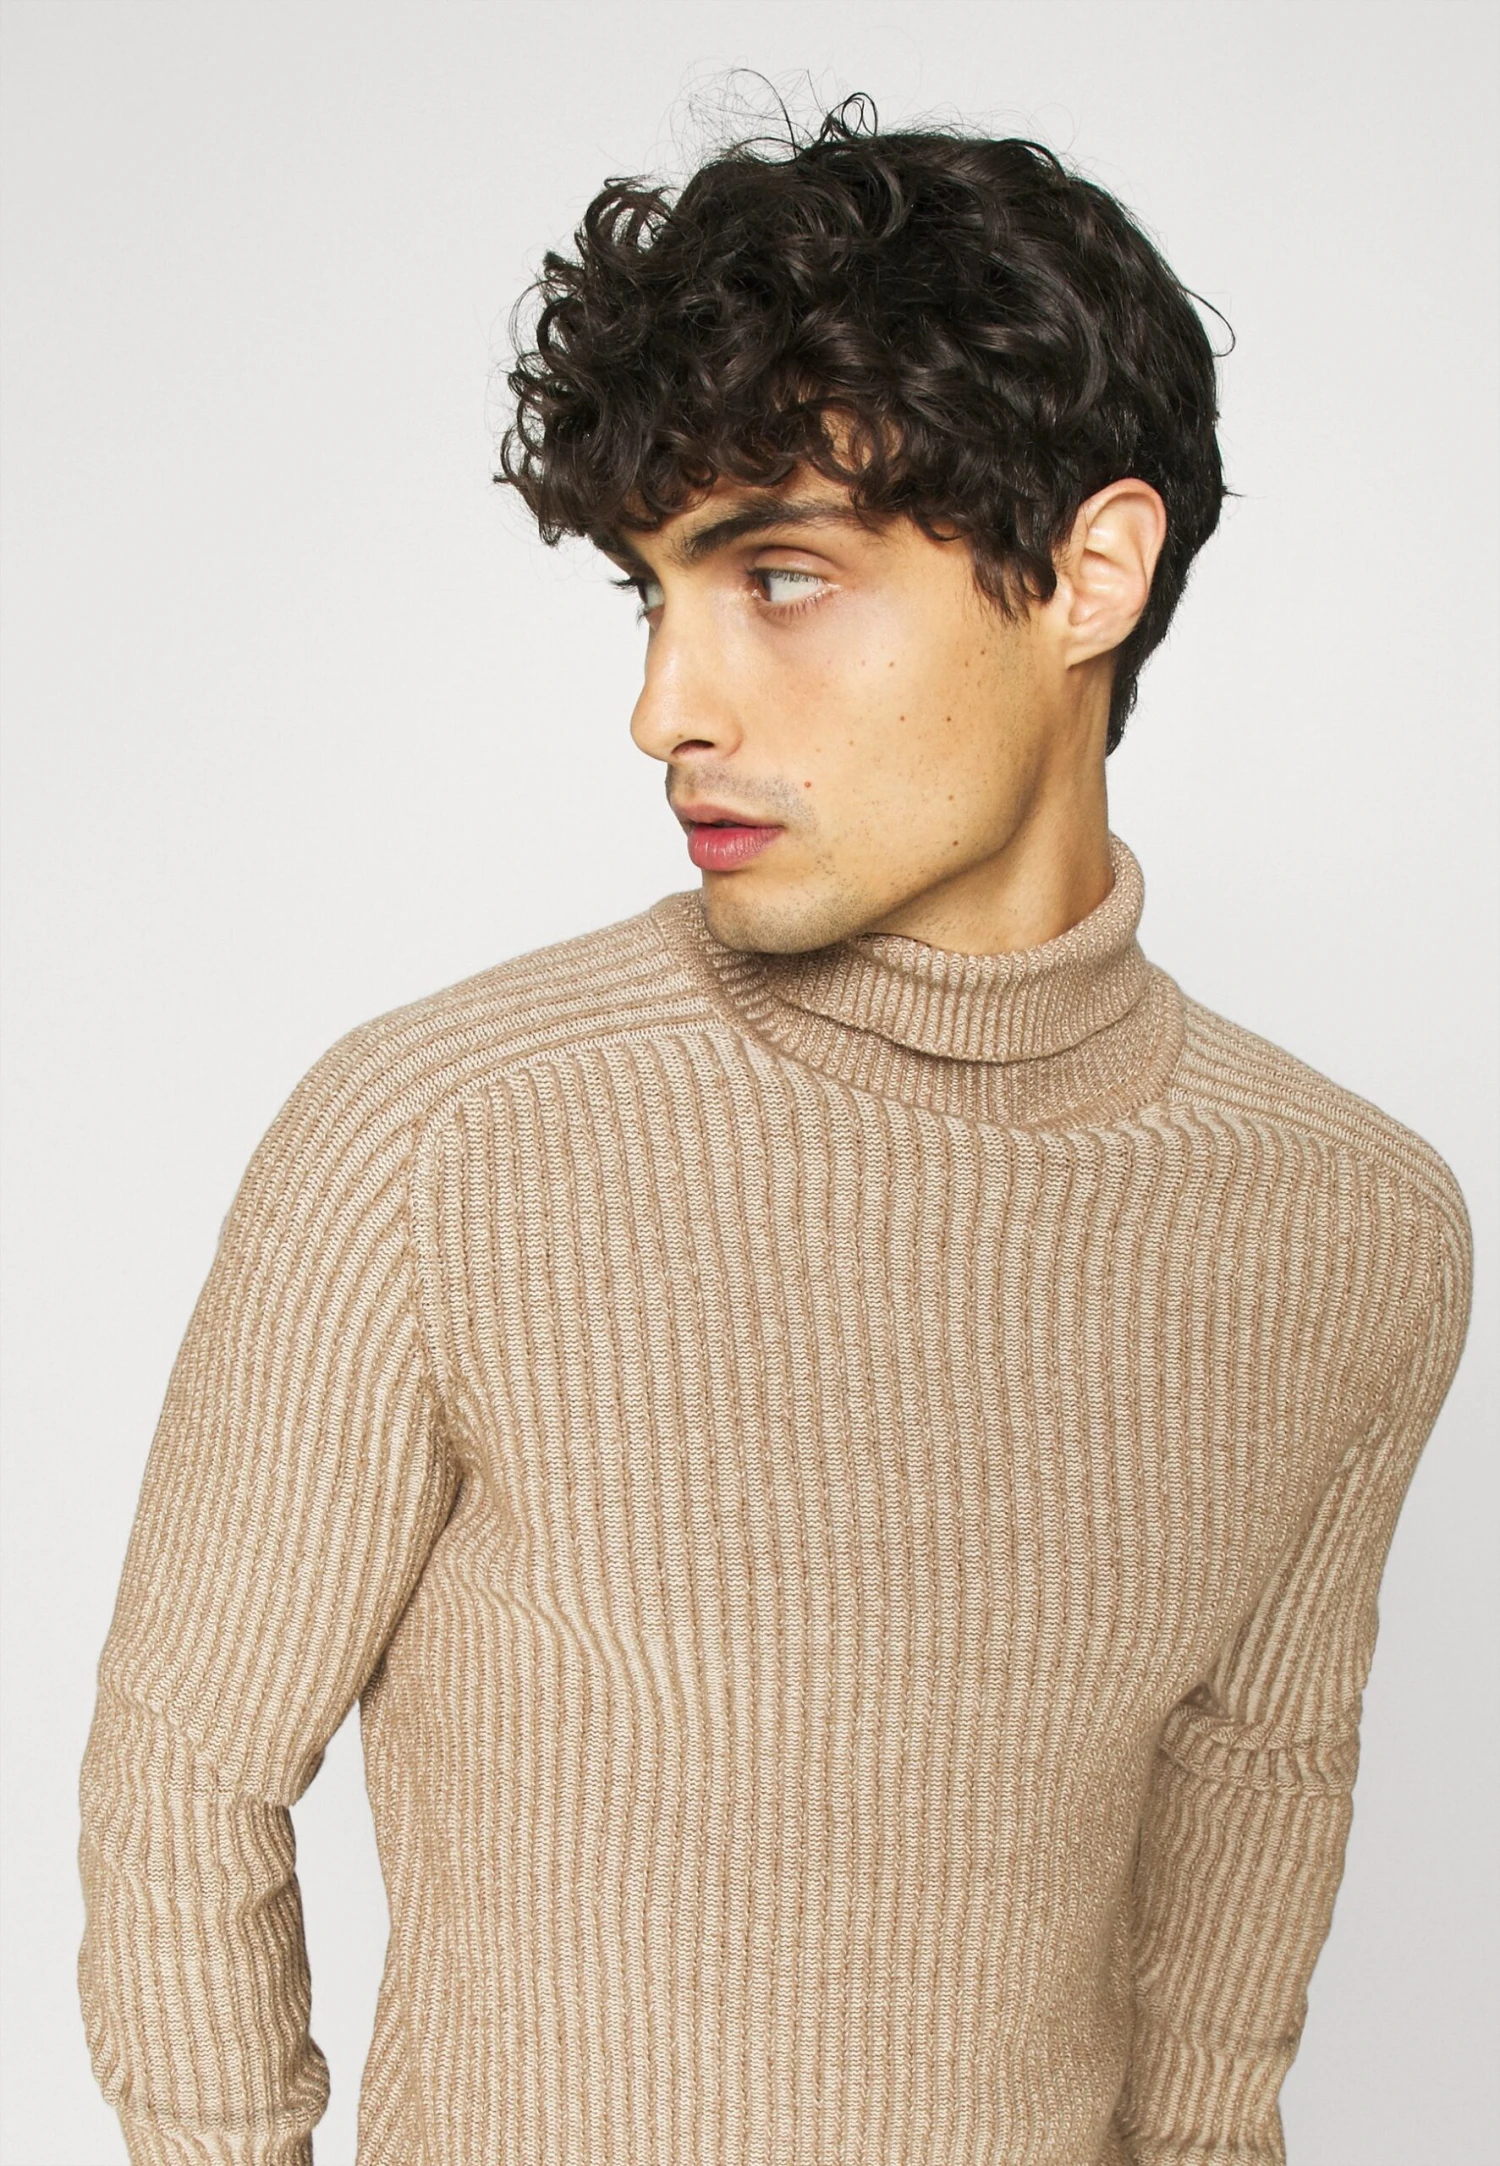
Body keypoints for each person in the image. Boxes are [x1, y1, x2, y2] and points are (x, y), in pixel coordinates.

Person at [76, 97, 1473, 2166]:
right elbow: (182, 1789)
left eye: (781, 578)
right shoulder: (447, 1141)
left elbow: (1244, 1842)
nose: (668, 707)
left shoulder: (1351, 1223)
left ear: (1091, 572)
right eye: (654, 595)